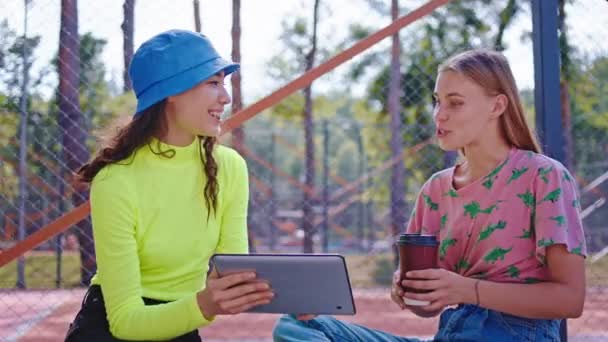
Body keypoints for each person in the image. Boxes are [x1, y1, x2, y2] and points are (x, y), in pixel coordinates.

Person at [273, 49, 587, 342]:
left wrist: (468, 290)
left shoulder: (544, 177)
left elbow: (570, 300)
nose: (439, 115)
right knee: (297, 327)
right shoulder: (436, 190)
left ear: (497, 106)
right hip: (452, 332)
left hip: (515, 335)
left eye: (455, 103)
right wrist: (412, 290)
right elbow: (428, 306)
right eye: (437, 101)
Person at [65, 29, 274, 342]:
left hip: (180, 323)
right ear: (173, 91)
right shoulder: (116, 181)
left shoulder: (229, 168)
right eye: (213, 82)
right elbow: (125, 321)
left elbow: (232, 272)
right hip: (111, 329)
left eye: (224, 83)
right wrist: (203, 305)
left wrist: (295, 298)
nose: (226, 97)